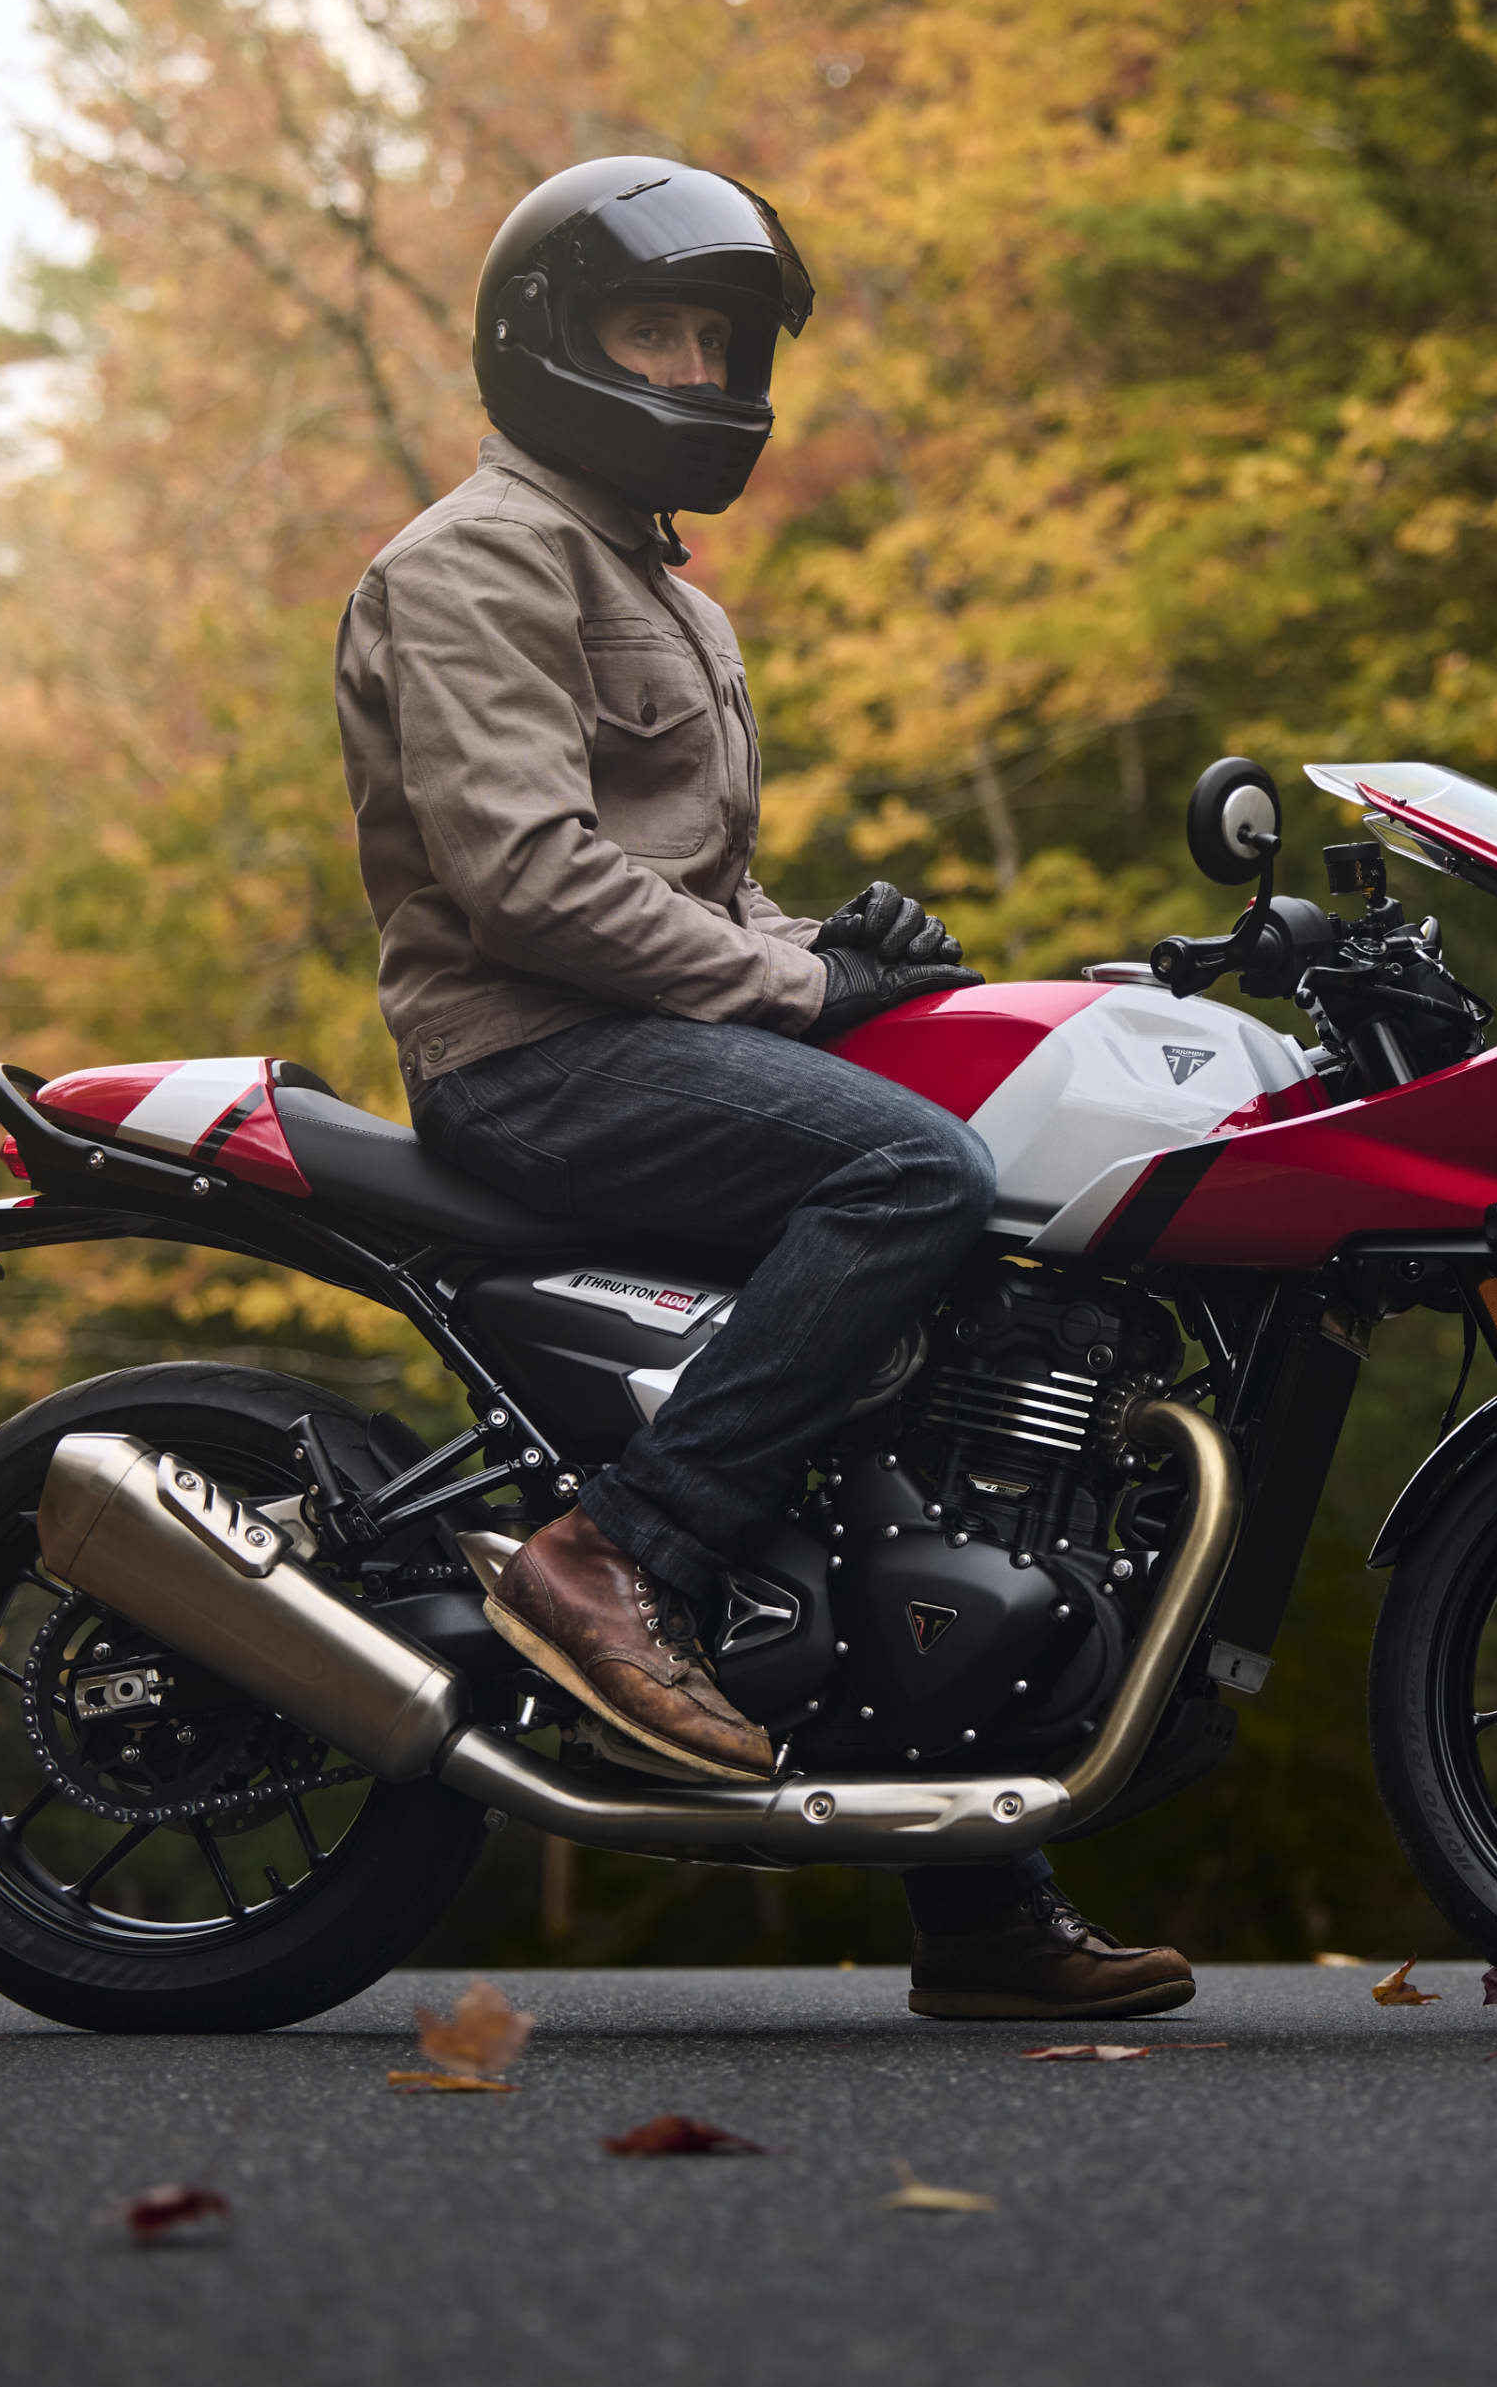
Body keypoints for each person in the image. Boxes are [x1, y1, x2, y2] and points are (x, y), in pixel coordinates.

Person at [332, 157, 1191, 2021]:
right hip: (528, 1057)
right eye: (658, 329)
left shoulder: (672, 598)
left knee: (970, 1304)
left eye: (721, 341)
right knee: (913, 1179)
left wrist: (844, 949)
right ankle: (608, 1554)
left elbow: (689, 897)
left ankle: (977, 1900)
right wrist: (804, 987)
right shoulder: (474, 561)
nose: (700, 369)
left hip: (642, 1037)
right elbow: (529, 881)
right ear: (551, 340)